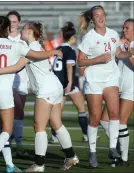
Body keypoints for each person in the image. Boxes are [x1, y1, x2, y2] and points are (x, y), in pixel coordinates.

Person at [0, 16, 62, 173]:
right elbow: (36, 55)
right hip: (3, 91)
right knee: (7, 131)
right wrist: (53, 51)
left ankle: (10, 165)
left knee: (1, 131)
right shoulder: (15, 45)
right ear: (7, 29)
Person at [0, 21, 78, 172]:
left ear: (30, 32)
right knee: (56, 124)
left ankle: (39, 164)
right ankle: (71, 157)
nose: (21, 31)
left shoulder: (32, 48)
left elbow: (16, 67)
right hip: (55, 87)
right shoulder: (35, 47)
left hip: (46, 89)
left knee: (39, 126)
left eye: (24, 29)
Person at [78, 5, 134, 168]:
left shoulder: (113, 34)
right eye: (97, 15)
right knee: (95, 118)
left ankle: (112, 149)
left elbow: (117, 54)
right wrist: (97, 60)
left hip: (111, 78)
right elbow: (80, 61)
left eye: (103, 14)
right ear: (92, 19)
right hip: (94, 79)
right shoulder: (88, 37)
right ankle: (92, 152)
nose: (101, 18)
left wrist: (128, 54)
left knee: (114, 114)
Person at [100, 18, 134, 167]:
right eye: (123, 27)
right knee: (104, 120)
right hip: (116, 87)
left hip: (130, 88)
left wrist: (129, 53)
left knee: (121, 123)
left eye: (127, 28)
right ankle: (119, 147)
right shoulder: (121, 44)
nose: (124, 30)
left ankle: (124, 158)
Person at [50, 22, 89, 142]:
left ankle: (54, 135)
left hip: (57, 84)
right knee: (81, 108)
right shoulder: (70, 51)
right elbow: (69, 67)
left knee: (57, 112)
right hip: (67, 83)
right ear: (72, 38)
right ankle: (86, 134)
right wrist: (70, 83)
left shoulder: (58, 49)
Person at [6, 11, 29, 157]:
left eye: (14, 22)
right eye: (9, 21)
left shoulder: (25, 40)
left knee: (19, 114)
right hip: (7, 81)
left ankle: (17, 145)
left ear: (19, 23)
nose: (12, 24)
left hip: (22, 80)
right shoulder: (2, 40)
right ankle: (9, 144)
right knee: (9, 114)